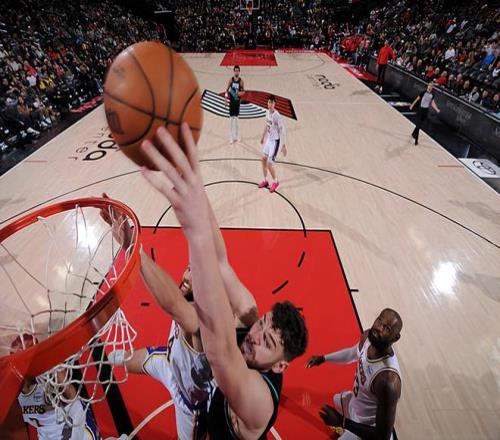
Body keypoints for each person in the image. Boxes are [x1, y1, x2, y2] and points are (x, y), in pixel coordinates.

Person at [140, 124, 308, 439]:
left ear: (279, 366)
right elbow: (220, 262)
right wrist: (196, 191)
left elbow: (219, 354)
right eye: (263, 325)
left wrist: (196, 233)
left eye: (268, 343)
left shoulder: (260, 400)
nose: (255, 336)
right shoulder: (250, 317)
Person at [103, 192, 259, 440]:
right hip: (168, 363)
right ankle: (111, 361)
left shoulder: (205, 320)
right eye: (189, 269)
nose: (187, 277)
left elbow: (173, 305)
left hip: (190, 404)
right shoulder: (195, 293)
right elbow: (203, 245)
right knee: (119, 360)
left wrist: (132, 247)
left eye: (196, 274)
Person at [306, 309, 403, 440]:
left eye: (387, 328)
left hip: (369, 428)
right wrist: (323, 358)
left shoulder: (388, 381)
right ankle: (347, 427)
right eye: (379, 320)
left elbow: (382, 436)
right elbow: (352, 354)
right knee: (337, 400)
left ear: (396, 338)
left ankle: (348, 429)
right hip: (356, 407)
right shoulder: (369, 337)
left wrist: (342, 422)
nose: (379, 328)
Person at [11, 335, 101, 440]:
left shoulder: (19, 390)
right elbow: (72, 398)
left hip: (59, 430)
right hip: (72, 425)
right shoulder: (47, 385)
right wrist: (49, 358)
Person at [258, 95, 287, 193]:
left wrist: (283, 145)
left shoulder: (277, 115)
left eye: (272, 102)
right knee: (263, 159)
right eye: (269, 102)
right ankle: (265, 180)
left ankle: (276, 182)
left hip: (275, 142)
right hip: (268, 140)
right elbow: (267, 125)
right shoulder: (267, 112)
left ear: (274, 104)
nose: (270, 104)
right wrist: (263, 136)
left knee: (270, 164)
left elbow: (282, 131)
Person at [225, 65, 245, 143]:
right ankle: (231, 137)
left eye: (238, 71)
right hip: (231, 102)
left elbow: (243, 92)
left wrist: (239, 93)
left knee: (237, 121)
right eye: (235, 71)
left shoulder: (241, 81)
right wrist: (225, 99)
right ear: (234, 71)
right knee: (231, 121)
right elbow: (227, 90)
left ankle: (236, 136)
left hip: (237, 102)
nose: (236, 72)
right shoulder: (231, 80)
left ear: (239, 72)